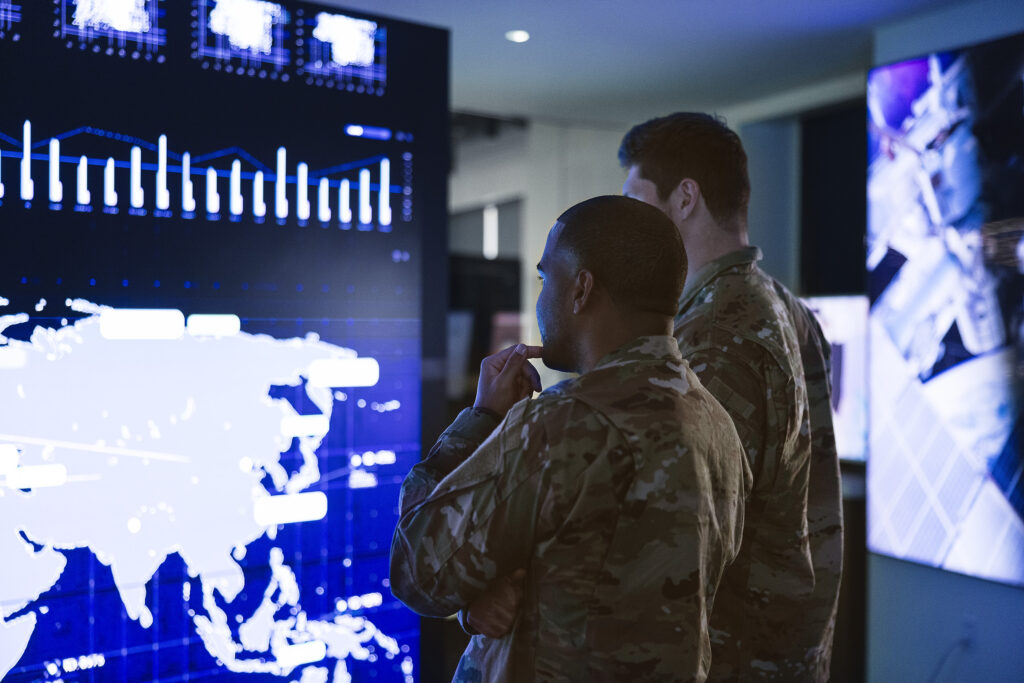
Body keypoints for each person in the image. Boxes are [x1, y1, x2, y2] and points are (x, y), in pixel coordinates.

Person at [390, 195, 751, 682]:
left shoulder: (563, 423)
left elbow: (418, 567)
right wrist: (483, 602)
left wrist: (481, 419)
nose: (540, 299)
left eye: (544, 279)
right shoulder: (717, 424)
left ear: (581, 289)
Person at [618, 112, 845, 681]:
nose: (625, 224)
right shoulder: (783, 307)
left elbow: (683, 530)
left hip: (732, 653)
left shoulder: (716, 334)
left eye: (636, 201)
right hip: (780, 647)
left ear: (685, 198)